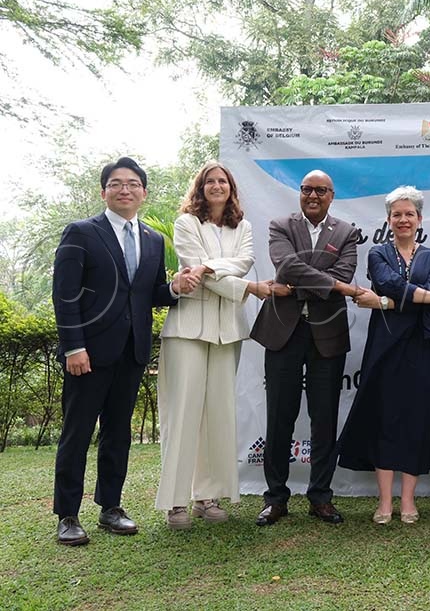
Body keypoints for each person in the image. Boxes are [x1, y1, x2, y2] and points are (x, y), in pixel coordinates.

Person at [52, 156, 196, 546]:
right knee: (77, 433)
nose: (125, 189)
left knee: (118, 434)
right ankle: (67, 515)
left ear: (143, 193)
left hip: (132, 352)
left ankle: (110, 508)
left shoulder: (151, 239)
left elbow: (147, 295)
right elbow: (64, 296)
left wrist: (176, 289)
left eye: (132, 184)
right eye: (116, 183)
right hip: (89, 354)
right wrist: (74, 347)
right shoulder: (81, 232)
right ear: (104, 191)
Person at [155, 160, 278, 529]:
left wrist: (210, 268)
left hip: (228, 330)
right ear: (200, 187)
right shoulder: (185, 223)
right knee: (183, 416)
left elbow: (242, 262)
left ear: (232, 187)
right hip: (187, 329)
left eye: (223, 180)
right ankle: (175, 503)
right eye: (210, 181)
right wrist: (250, 288)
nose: (217, 185)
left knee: (217, 413)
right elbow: (197, 269)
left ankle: (205, 497)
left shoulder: (244, 226)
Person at [340, 185, 430, 524]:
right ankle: (384, 502)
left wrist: (386, 302)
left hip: (421, 344)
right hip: (385, 344)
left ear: (420, 219)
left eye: (409, 214)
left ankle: (408, 500)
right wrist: (408, 299)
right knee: (384, 418)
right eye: (397, 215)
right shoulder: (377, 253)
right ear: (388, 220)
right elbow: (390, 283)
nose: (403, 220)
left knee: (416, 419)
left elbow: (428, 291)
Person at [250, 170, 361, 527]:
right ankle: (276, 498)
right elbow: (285, 264)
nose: (313, 196)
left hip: (326, 335)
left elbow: (341, 276)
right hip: (282, 331)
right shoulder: (280, 224)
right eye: (307, 189)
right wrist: (331, 285)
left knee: (324, 418)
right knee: (279, 416)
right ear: (300, 193)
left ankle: (320, 497)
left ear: (332, 195)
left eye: (320, 191)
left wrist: (296, 281)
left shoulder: (346, 232)